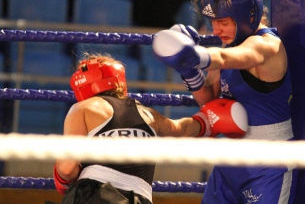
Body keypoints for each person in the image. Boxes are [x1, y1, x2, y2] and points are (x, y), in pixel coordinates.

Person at [152, 0, 297, 204]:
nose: (216, 30)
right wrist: (188, 71)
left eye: (223, 22)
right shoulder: (228, 42)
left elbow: (228, 58)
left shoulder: (267, 45)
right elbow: (210, 100)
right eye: (213, 23)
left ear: (246, 17)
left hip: (269, 162)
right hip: (230, 159)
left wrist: (194, 55)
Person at [53, 53, 248, 204]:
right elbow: (180, 129)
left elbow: (67, 167)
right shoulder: (148, 114)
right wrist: (208, 120)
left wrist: (62, 178)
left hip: (95, 194)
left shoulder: (83, 108)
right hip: (141, 198)